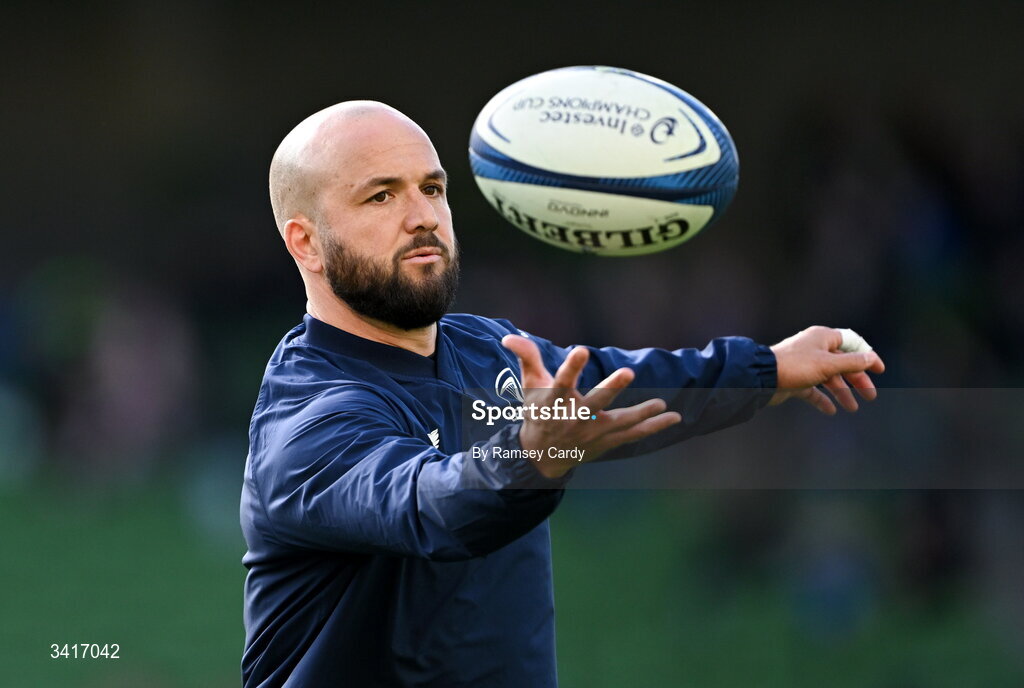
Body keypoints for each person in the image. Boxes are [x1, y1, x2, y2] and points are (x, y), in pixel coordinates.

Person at [240, 101, 885, 687]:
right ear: (306, 242)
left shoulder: (489, 351)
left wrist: (767, 367)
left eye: (432, 188)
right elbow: (428, 506)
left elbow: (627, 381)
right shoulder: (308, 422)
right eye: (381, 197)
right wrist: (529, 457)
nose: (423, 216)